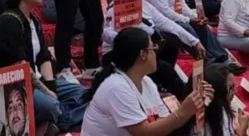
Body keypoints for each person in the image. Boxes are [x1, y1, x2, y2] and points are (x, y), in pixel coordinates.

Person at [0, 0, 89, 134]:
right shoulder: (9, 22)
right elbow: (20, 65)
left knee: (84, 94)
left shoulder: (34, 21)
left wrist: (50, 85)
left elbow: (44, 57)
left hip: (37, 80)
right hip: (16, 85)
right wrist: (47, 92)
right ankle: (59, 119)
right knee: (51, 105)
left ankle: (53, 121)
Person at [80, 27, 210, 136]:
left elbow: (162, 122)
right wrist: (183, 111)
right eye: (153, 49)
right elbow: (143, 132)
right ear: (143, 54)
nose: (156, 54)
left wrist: (196, 102)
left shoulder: (146, 81)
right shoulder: (116, 87)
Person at [102, 0, 203, 100]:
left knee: (172, 39)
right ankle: (187, 98)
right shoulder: (117, 7)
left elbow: (169, 24)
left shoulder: (146, 5)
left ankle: (163, 83)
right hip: (118, 55)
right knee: (165, 69)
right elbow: (105, 34)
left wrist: (195, 42)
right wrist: (129, 39)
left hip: (142, 51)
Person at [204, 65, 249, 136]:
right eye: (231, 88)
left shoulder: (221, 108)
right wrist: (242, 130)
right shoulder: (205, 127)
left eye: (234, 86)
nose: (235, 91)